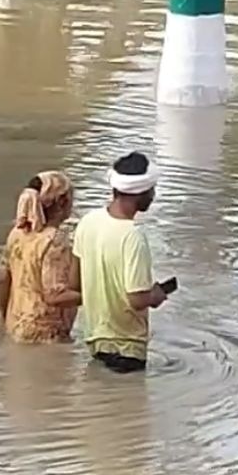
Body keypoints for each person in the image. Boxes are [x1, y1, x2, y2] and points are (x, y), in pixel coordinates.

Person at [72, 152, 168, 373]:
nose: (153, 195)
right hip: (128, 348)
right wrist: (155, 295)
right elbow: (136, 299)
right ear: (141, 193)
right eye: (151, 190)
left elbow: (74, 283)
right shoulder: (133, 236)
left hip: (95, 340)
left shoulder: (87, 222)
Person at [0, 170, 83, 343]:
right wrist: (97, 293)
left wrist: (3, 319)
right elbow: (55, 296)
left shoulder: (17, 233)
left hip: (15, 324)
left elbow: (2, 279)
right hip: (44, 333)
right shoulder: (55, 241)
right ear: (62, 202)